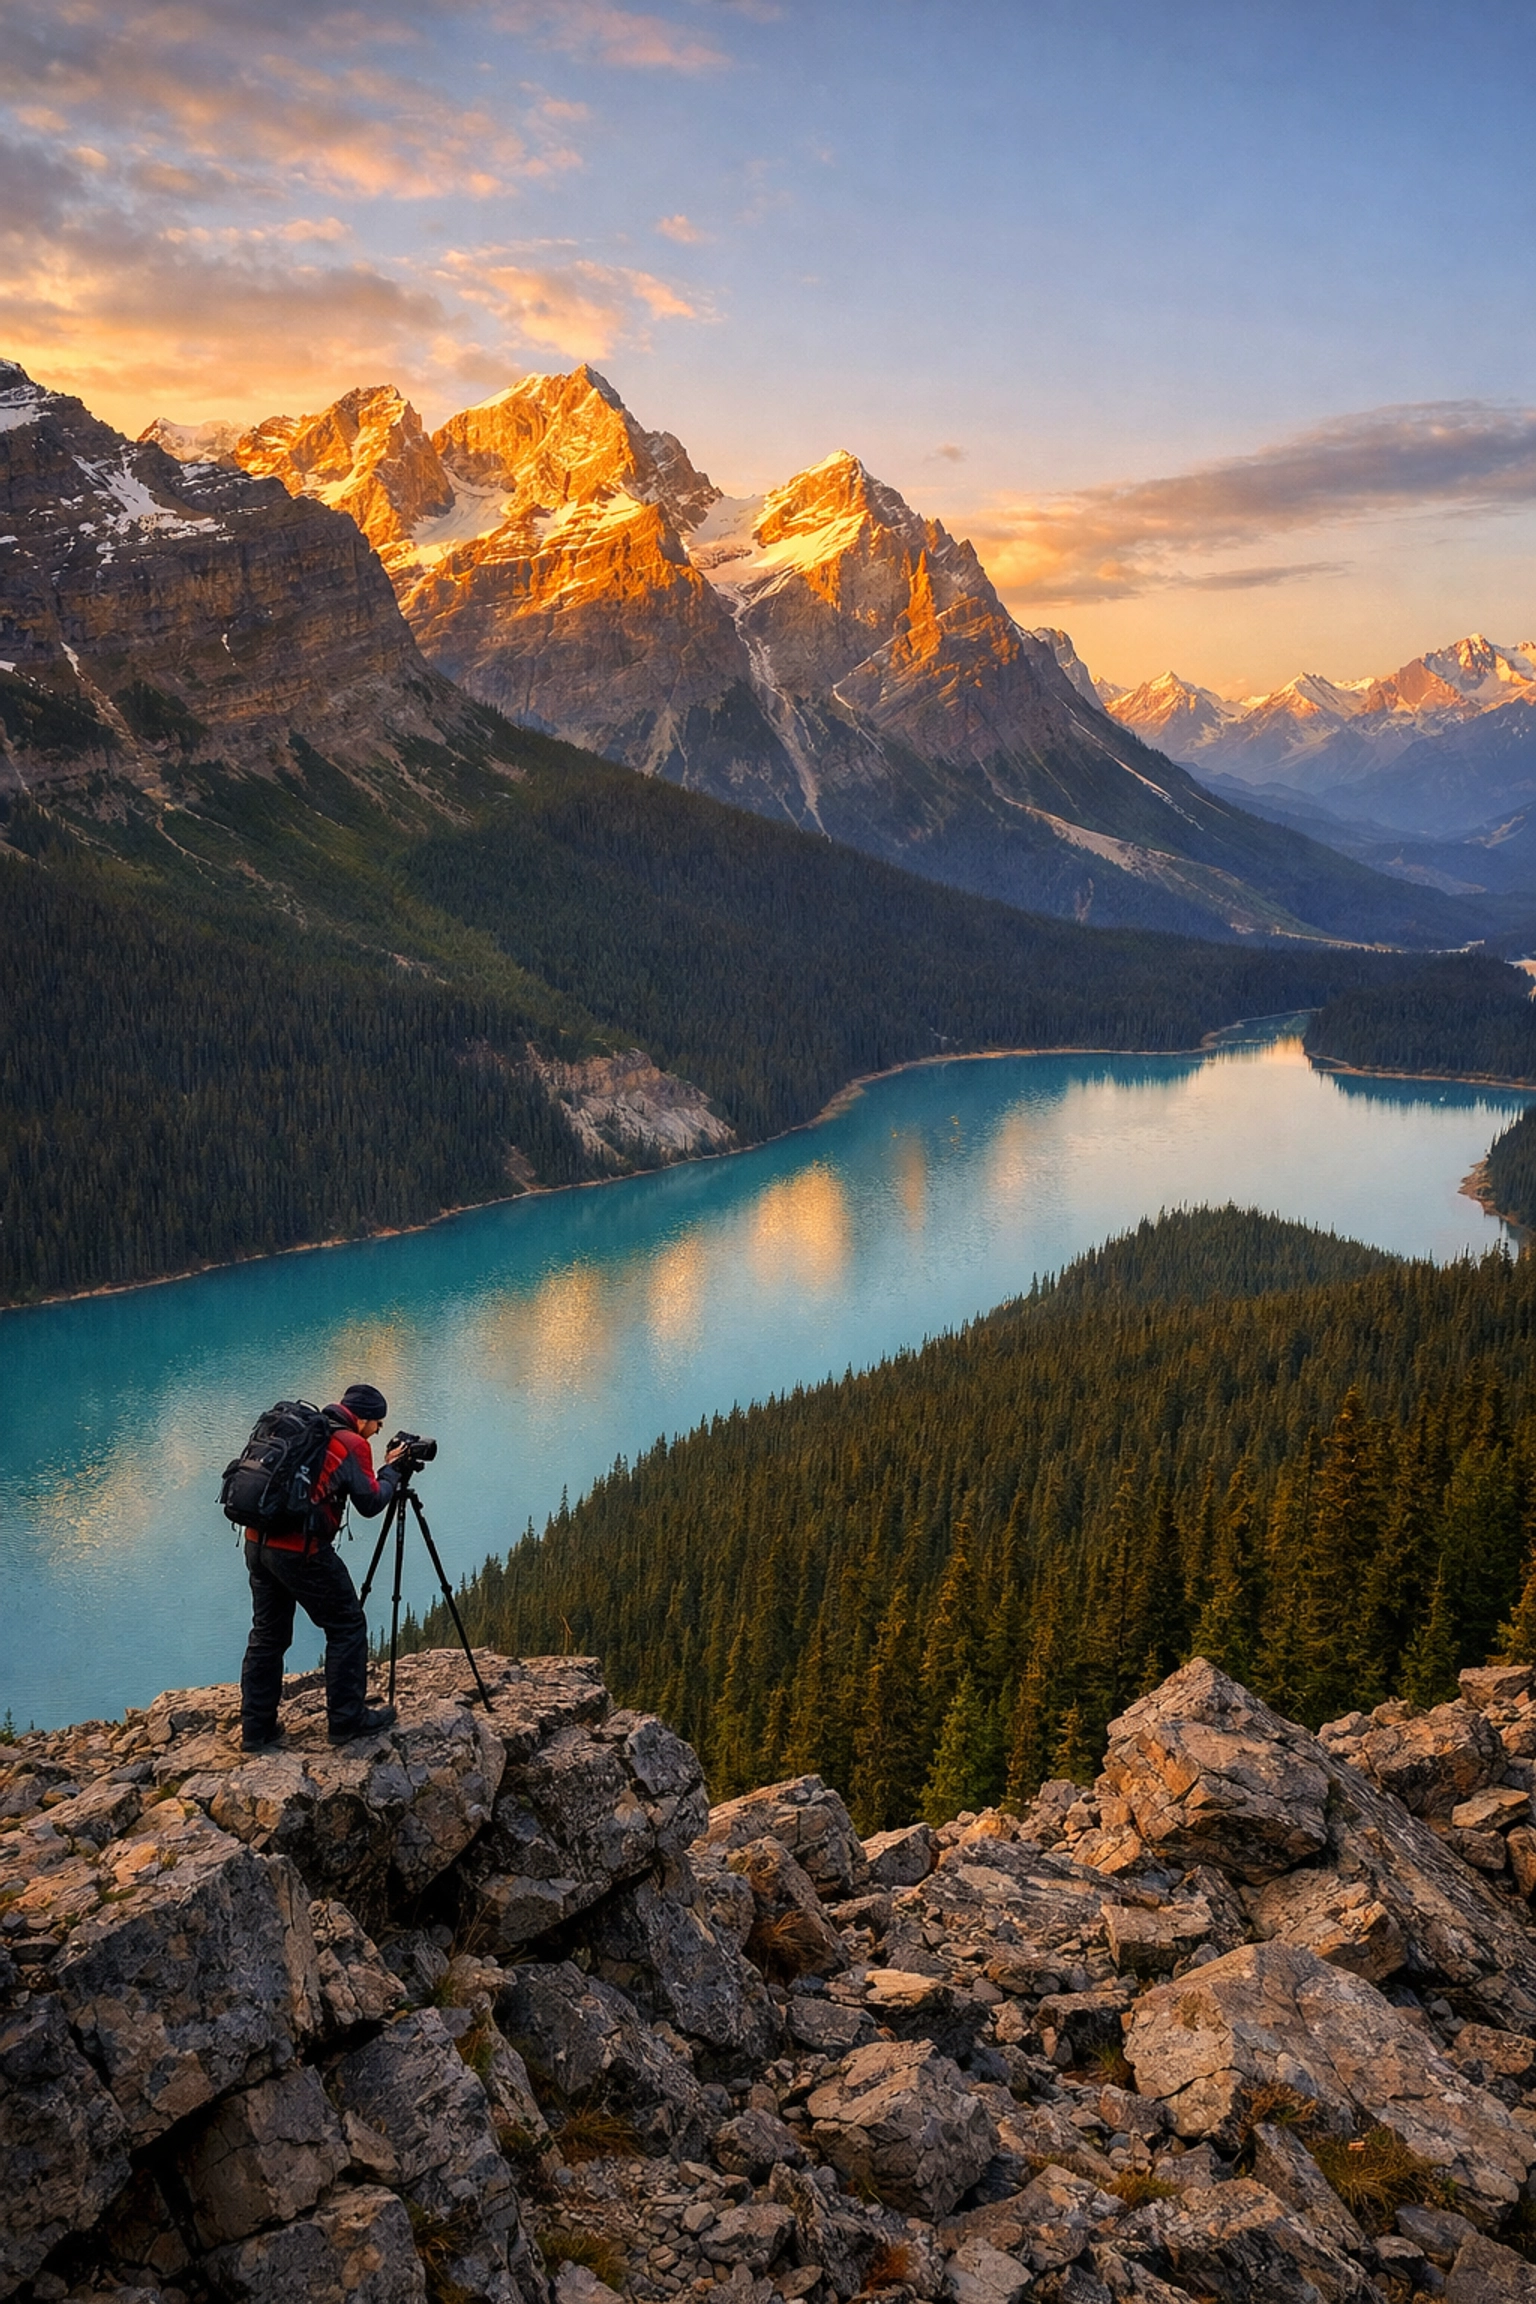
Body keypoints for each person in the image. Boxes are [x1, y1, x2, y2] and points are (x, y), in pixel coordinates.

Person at [240, 1382, 405, 1753]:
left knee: (268, 1635)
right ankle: (347, 1721)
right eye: (377, 1424)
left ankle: (256, 1729)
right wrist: (391, 1473)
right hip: (301, 1551)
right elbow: (371, 1502)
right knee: (347, 1625)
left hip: (256, 1542)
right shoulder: (351, 1443)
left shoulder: (308, 1429)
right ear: (362, 1418)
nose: (378, 1431)